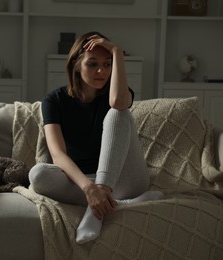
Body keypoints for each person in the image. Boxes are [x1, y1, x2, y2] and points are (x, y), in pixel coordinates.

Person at [29, 31, 163, 244]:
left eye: (107, 64)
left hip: (124, 179)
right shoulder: (54, 101)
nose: (101, 71)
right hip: (82, 182)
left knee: (118, 112)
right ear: (76, 65)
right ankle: (120, 203)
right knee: (38, 175)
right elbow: (58, 154)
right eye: (92, 64)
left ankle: (96, 209)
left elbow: (119, 102)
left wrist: (117, 51)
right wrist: (89, 189)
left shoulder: (116, 94)